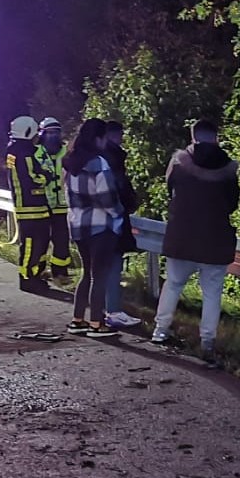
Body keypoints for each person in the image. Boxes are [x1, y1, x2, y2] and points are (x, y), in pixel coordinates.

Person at [151, 119, 240, 366]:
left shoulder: (179, 163)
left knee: (174, 284)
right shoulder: (228, 168)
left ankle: (160, 330)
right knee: (212, 292)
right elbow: (233, 204)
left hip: (183, 235)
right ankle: (207, 341)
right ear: (216, 137)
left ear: (193, 137)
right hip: (215, 238)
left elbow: (170, 190)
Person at [62, 118, 125, 338]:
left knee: (86, 273)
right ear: (99, 138)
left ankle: (77, 319)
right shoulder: (99, 163)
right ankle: (97, 323)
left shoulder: (70, 163)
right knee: (100, 276)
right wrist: (119, 214)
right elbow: (107, 198)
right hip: (100, 226)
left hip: (78, 225)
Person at [101, 119, 143, 328]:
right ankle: (113, 311)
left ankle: (98, 311)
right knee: (113, 266)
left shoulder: (86, 159)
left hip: (90, 223)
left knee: (99, 268)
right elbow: (119, 190)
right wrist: (129, 203)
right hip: (112, 221)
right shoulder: (112, 159)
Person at [4, 115, 51, 293]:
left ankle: (34, 276)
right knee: (33, 244)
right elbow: (32, 177)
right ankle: (28, 279)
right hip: (32, 206)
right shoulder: (25, 152)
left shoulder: (13, 150)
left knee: (36, 243)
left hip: (27, 205)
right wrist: (47, 176)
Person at [34, 118, 71, 278]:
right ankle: (38, 270)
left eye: (56, 132)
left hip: (62, 205)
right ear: (41, 134)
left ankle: (60, 272)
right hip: (42, 206)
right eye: (49, 132)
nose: (53, 136)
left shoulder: (67, 153)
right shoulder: (35, 153)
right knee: (40, 240)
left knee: (62, 241)